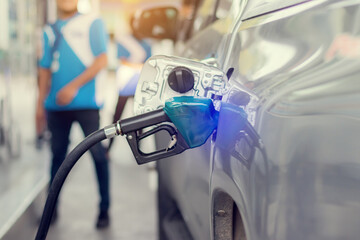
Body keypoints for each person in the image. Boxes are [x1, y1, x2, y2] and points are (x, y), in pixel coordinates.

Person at [36, 0, 110, 228]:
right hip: (56, 107)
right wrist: (39, 105)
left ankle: (104, 209)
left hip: (86, 104)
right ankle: (52, 211)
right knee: (56, 158)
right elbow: (44, 69)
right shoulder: (49, 30)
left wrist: (72, 87)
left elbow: (102, 60)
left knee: (98, 155)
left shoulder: (93, 22)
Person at [107, 16, 152, 152]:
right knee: (117, 116)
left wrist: (137, 65)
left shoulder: (147, 43)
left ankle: (139, 149)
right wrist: (138, 65)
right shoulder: (124, 40)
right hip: (126, 83)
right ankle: (108, 148)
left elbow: (149, 63)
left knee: (140, 118)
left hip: (140, 84)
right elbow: (122, 60)